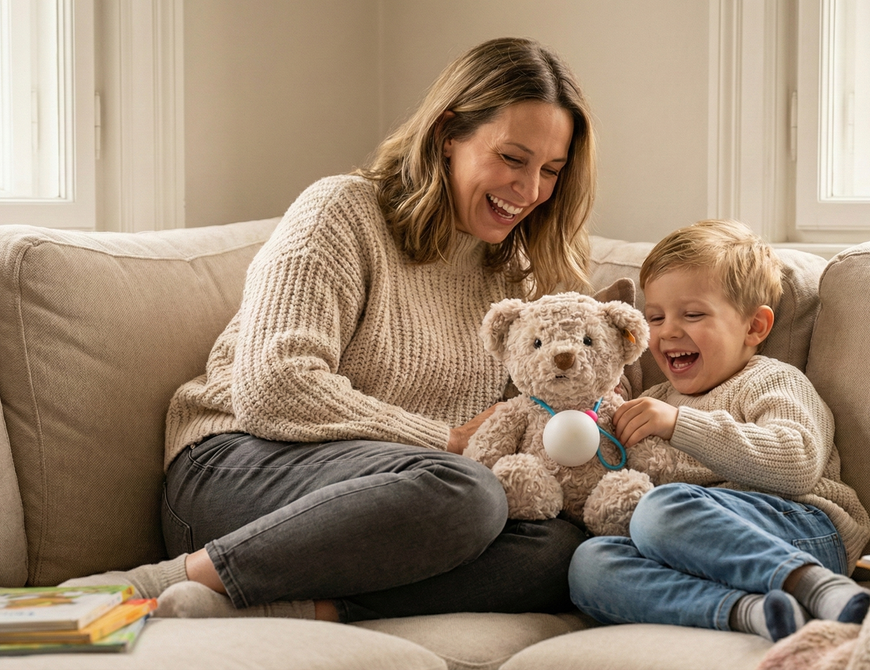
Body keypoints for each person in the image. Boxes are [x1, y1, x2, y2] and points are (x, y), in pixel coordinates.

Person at [62, 37, 597, 623]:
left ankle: (296, 605)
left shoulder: (520, 280)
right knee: (465, 493)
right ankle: (161, 580)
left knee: (563, 551)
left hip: (397, 499)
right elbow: (274, 386)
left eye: (551, 170)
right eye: (513, 159)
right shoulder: (343, 210)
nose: (531, 191)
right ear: (448, 135)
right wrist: (446, 441)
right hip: (241, 465)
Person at [567, 219, 870, 642]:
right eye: (655, 317)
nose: (669, 330)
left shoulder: (768, 379)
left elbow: (797, 461)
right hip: (701, 553)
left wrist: (680, 424)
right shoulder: (658, 397)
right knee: (589, 563)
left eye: (693, 314)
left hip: (801, 528)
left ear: (754, 327)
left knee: (659, 510)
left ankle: (814, 584)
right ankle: (753, 613)